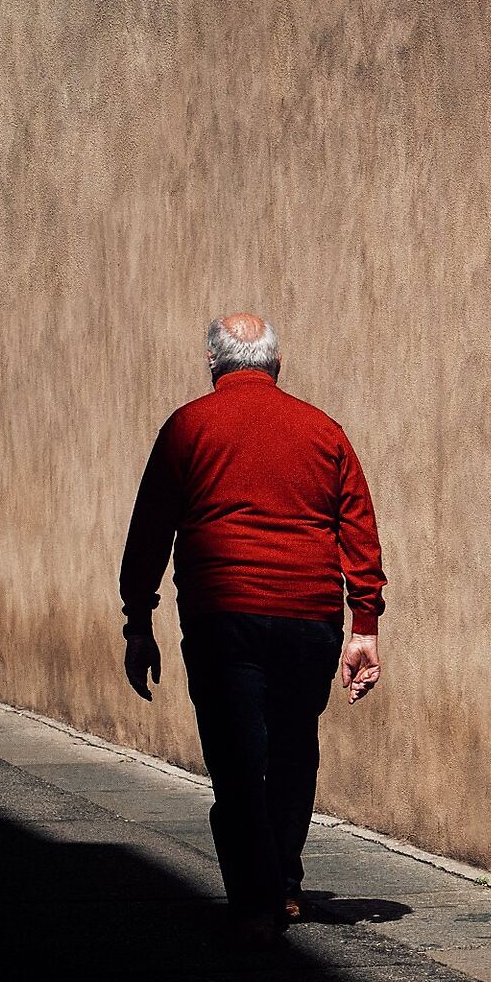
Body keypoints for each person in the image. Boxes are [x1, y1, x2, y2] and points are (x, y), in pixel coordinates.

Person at [118, 313, 387, 936]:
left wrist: (139, 619)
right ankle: (283, 887)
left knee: (238, 758)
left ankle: (256, 900)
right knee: (294, 750)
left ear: (213, 366)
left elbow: (150, 528)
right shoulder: (324, 431)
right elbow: (359, 529)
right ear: (277, 365)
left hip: (222, 616)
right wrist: (364, 626)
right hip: (308, 617)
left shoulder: (189, 426)